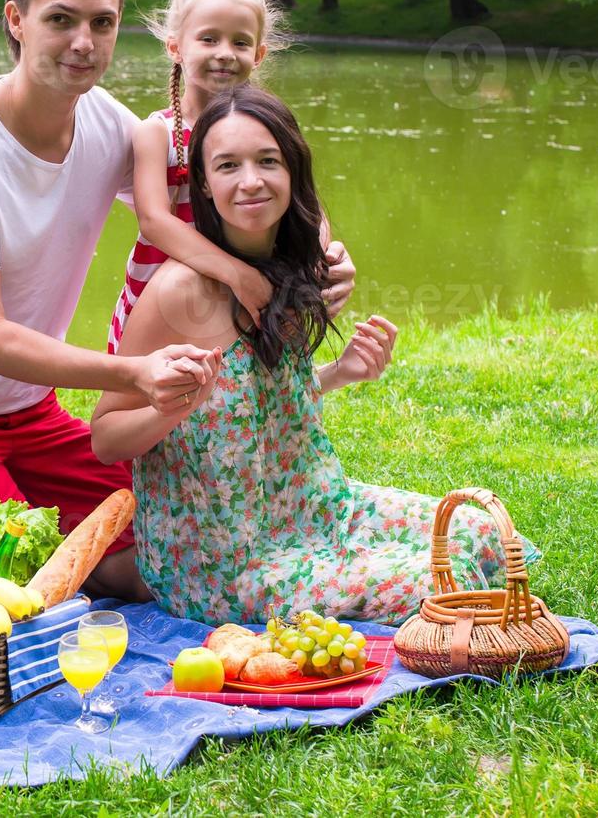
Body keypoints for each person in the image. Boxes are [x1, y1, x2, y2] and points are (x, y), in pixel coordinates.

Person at [0, 0, 358, 595]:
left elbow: (220, 206)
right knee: (16, 591)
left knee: (172, 549)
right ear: (17, 21)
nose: (84, 43)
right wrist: (137, 371)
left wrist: (314, 263)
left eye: (102, 22)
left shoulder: (109, 127)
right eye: (61, 20)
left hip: (30, 413)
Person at [91, 85, 532, 624]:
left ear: (293, 171)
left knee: (478, 533)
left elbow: (259, 405)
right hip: (226, 564)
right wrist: (173, 406)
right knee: (445, 576)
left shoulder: (293, 269)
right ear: (205, 184)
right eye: (227, 165)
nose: (250, 181)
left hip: (318, 511)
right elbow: (105, 437)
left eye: (267, 161)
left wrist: (341, 373)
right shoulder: (178, 291)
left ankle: (359, 570)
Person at [108, 0, 351, 355]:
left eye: (240, 42)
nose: (224, 52)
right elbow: (154, 221)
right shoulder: (157, 132)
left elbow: (304, 200)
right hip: (168, 293)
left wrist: (322, 256)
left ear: (258, 55)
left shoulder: (265, 128)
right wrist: (236, 274)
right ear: (175, 47)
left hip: (252, 283)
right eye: (208, 39)